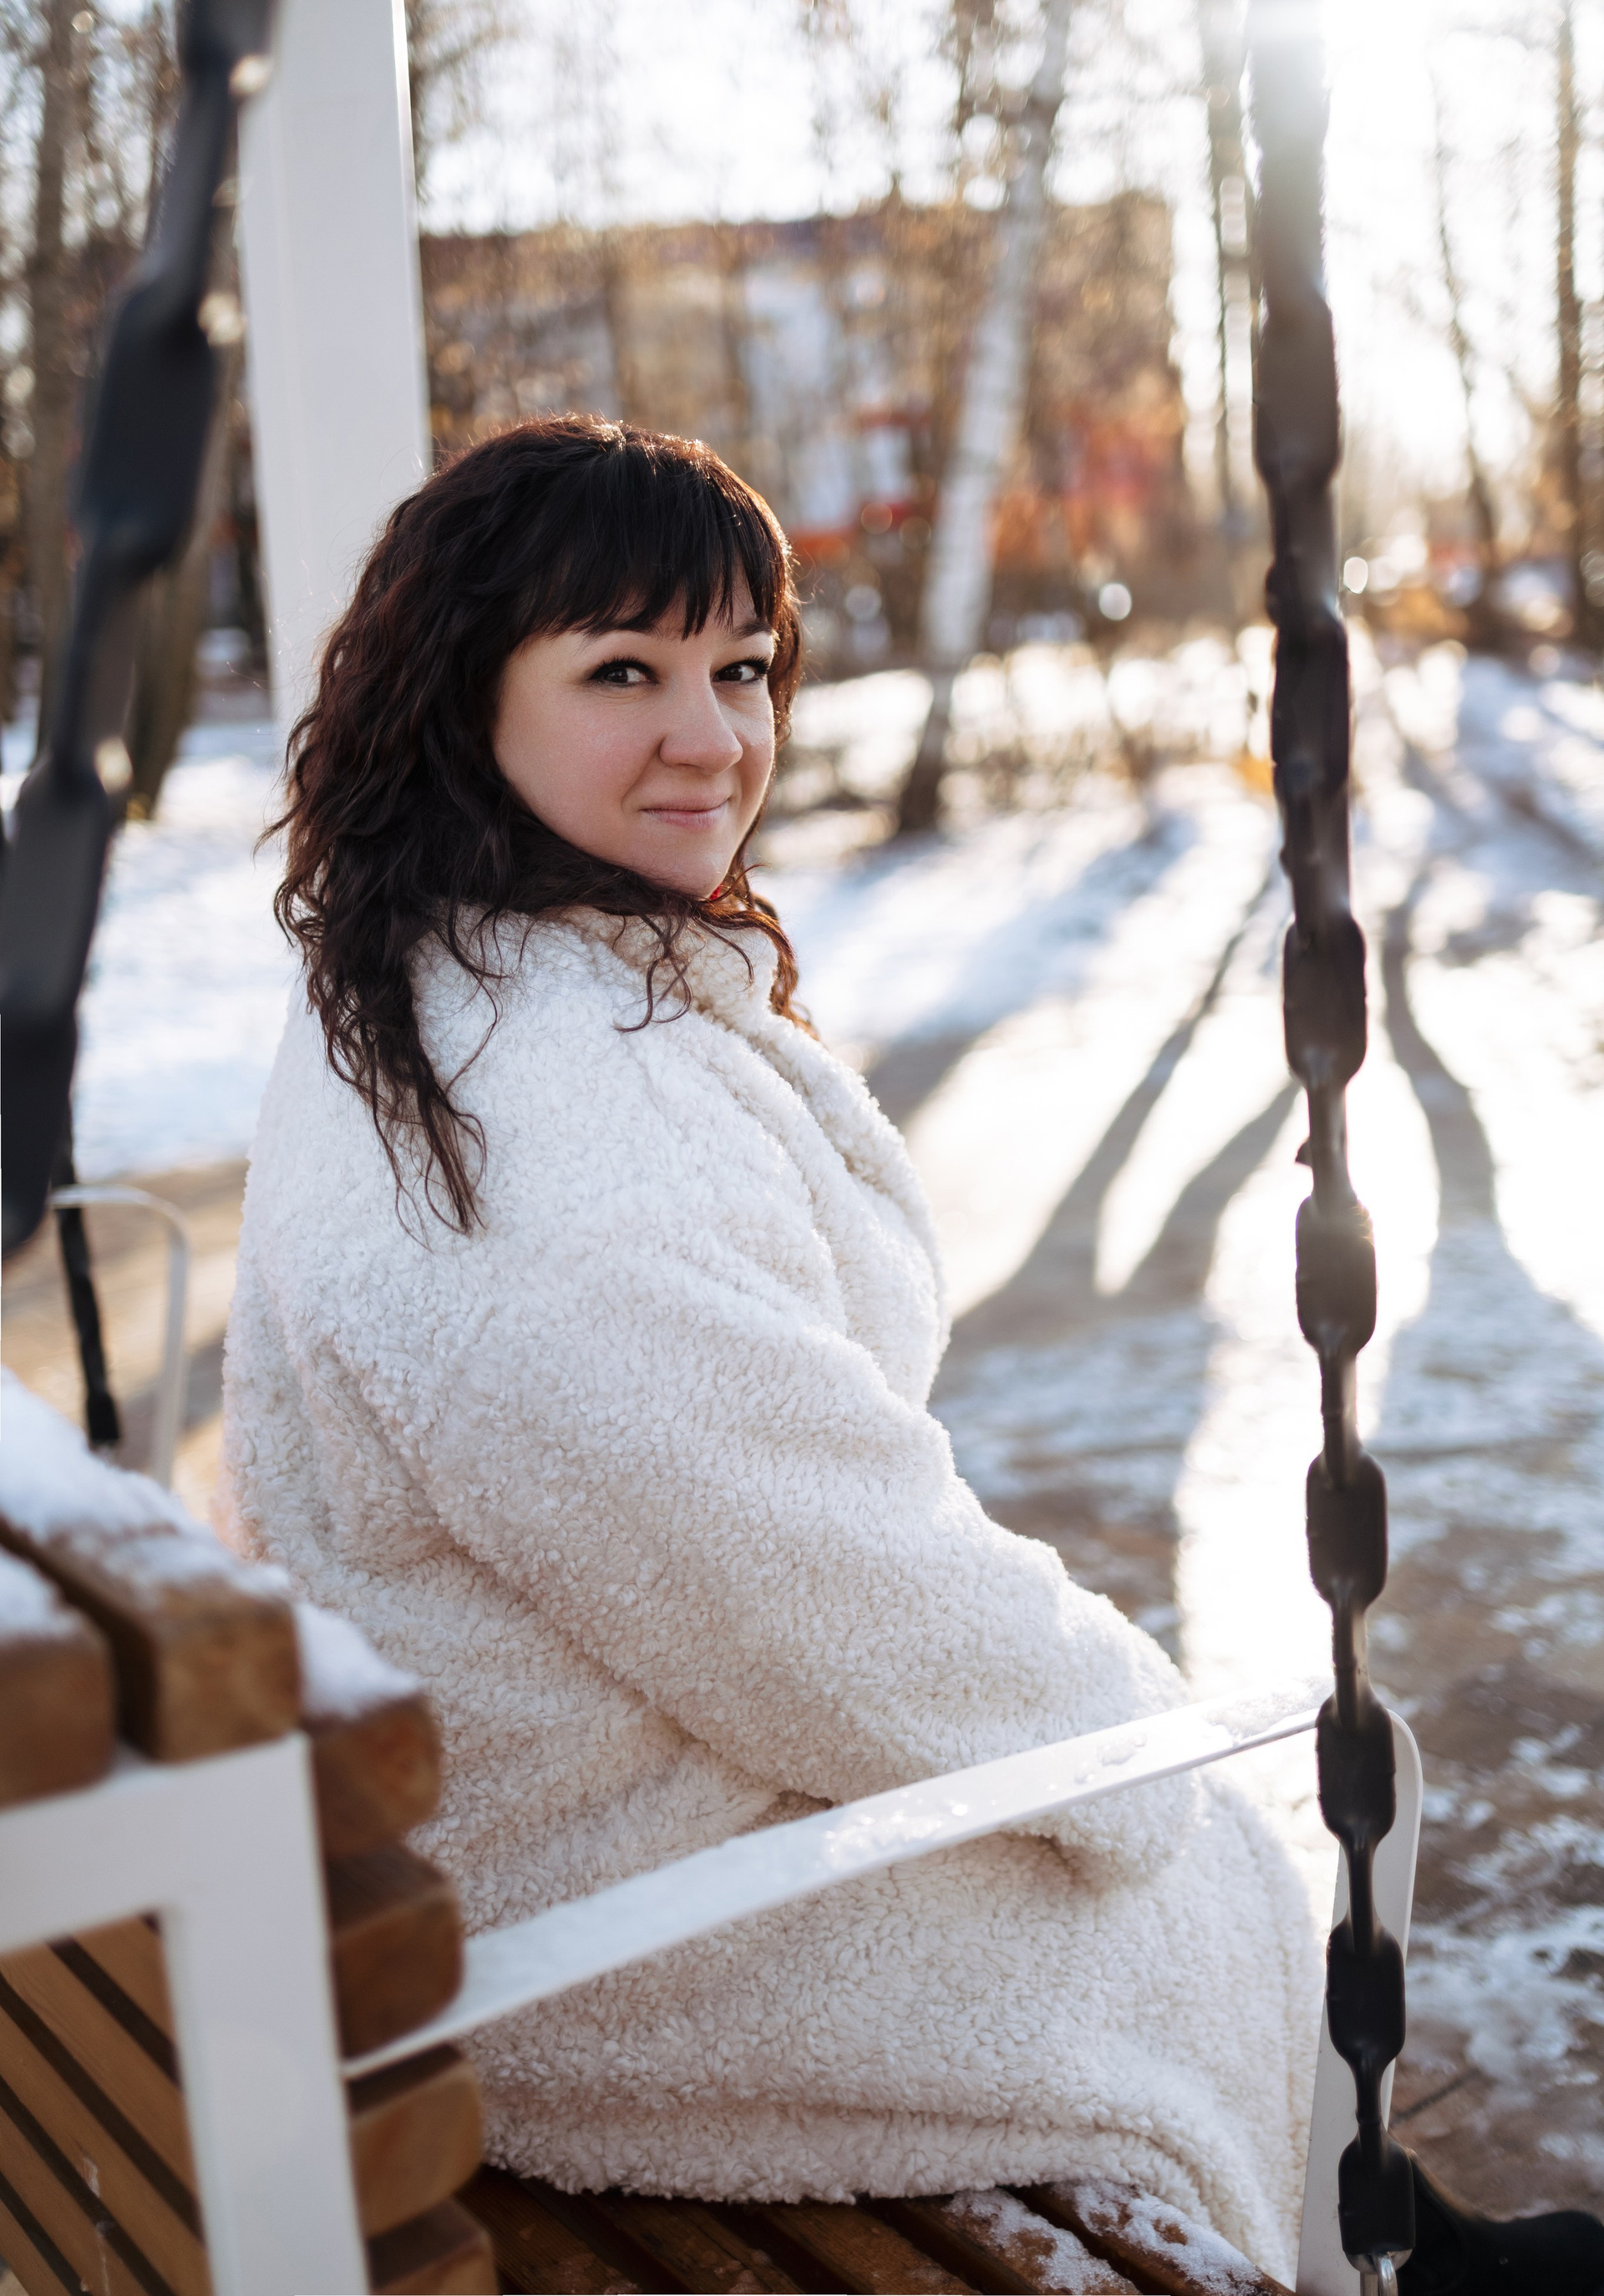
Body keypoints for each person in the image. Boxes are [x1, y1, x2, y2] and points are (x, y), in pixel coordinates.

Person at [221, 416, 1590, 2294]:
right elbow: (813, 1583)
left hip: (515, 1817)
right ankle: (1378, 2256)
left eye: (741, 669)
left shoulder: (442, 983)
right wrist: (1131, 1750)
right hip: (595, 1940)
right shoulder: (543, 1141)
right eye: (622, 672)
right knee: (1195, 1884)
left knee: (1171, 1879)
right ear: (465, 694)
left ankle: (1392, 2232)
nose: (714, 737)